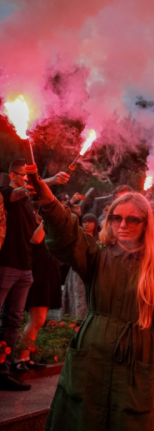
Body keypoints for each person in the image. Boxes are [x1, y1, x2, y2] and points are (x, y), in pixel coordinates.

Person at [29, 176, 154, 431]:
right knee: (82, 429)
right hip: (91, 358)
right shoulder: (97, 255)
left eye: (132, 219)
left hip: (136, 364)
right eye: (116, 217)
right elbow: (67, 238)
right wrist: (50, 202)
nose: (123, 224)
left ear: (145, 224)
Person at [0, 161, 69, 391]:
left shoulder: (29, 205)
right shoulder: (7, 194)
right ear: (12, 175)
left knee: (13, 321)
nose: (29, 180)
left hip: (25, 269)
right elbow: (23, 191)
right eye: (25, 176)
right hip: (6, 266)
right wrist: (47, 179)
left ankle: (4, 370)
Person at [16, 210, 62, 372]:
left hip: (48, 275)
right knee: (36, 319)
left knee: (39, 320)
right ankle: (20, 358)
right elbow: (35, 239)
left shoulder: (46, 226)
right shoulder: (33, 225)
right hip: (38, 275)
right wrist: (46, 220)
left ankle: (26, 357)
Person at [61, 214, 98, 320]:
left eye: (90, 222)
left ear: (95, 224)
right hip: (76, 272)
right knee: (76, 297)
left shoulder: (99, 238)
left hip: (93, 271)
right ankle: (75, 320)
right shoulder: (78, 237)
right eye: (85, 222)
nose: (87, 224)